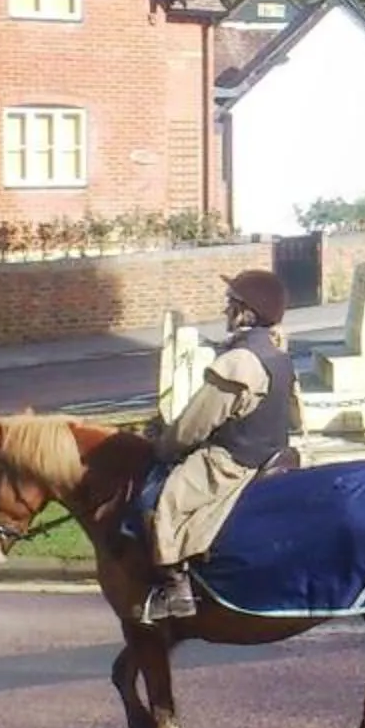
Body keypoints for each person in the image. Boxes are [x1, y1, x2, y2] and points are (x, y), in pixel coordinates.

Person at [137, 267, 304, 626]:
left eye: (231, 304)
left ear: (247, 312)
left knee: (163, 499)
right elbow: (296, 415)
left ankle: (175, 588)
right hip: (275, 453)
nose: (226, 309)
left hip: (232, 462)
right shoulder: (279, 356)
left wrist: (165, 446)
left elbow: (193, 426)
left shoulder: (238, 363)